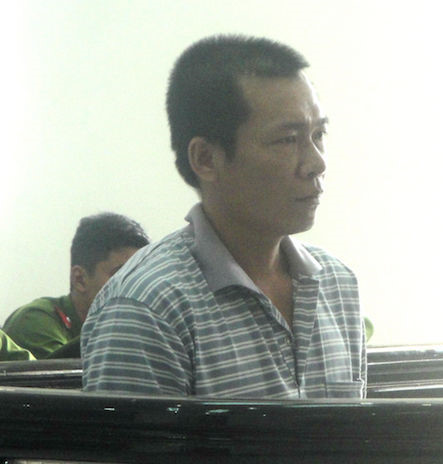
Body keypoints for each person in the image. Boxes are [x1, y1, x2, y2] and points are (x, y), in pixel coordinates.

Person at [82, 35, 366, 399]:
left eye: (318, 134)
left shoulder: (337, 284)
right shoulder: (147, 308)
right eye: (287, 140)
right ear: (205, 158)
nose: (317, 163)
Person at [3, 213, 150, 359]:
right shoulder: (35, 320)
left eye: (141, 276)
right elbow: (65, 374)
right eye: (122, 276)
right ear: (80, 279)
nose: (136, 286)